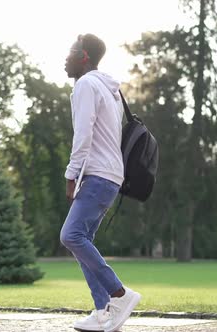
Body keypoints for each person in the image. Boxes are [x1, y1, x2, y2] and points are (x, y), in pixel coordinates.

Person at [59, 33, 141, 332]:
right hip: (111, 176)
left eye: (70, 52)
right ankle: (103, 312)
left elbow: (84, 135)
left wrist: (71, 175)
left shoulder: (86, 85)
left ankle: (119, 293)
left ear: (83, 57)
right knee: (82, 240)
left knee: (70, 236)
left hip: (98, 174)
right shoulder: (109, 90)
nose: (64, 58)